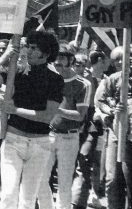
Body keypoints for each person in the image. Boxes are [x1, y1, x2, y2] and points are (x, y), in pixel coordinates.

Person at [0, 31, 64, 209]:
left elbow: (47, 116)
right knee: (8, 195)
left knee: (27, 200)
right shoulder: (16, 72)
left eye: (34, 48)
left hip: (40, 143)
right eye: (28, 46)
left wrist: (14, 110)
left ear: (46, 53)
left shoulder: (55, 80)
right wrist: (6, 54)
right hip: (13, 140)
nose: (29, 51)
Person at [37, 43, 90, 209]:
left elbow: (80, 115)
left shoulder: (83, 84)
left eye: (61, 57)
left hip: (69, 137)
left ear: (70, 60)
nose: (57, 61)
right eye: (55, 58)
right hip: (46, 135)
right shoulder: (47, 79)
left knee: (64, 183)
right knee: (39, 179)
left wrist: (56, 110)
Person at [94, 46, 132, 209]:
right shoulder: (112, 79)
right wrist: (111, 110)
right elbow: (100, 102)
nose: (121, 62)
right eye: (116, 59)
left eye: (124, 58)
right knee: (113, 178)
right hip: (117, 133)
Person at [72, 50, 107, 208]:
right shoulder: (65, 81)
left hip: (89, 126)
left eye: (83, 65)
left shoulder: (91, 81)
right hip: (67, 127)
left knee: (84, 161)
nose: (80, 68)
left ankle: (78, 202)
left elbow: (94, 105)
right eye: (76, 64)